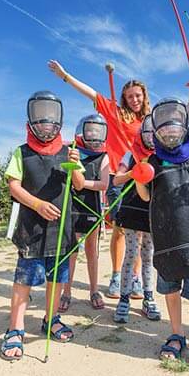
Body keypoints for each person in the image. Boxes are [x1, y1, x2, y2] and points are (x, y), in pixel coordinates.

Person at [136, 55, 189, 376]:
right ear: (156, 131)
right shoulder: (151, 161)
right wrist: (139, 180)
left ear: (183, 127)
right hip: (165, 238)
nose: (170, 130)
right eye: (164, 126)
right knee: (170, 290)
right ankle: (176, 334)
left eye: (175, 124)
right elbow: (146, 198)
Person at [48, 60, 149, 299]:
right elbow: (90, 92)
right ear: (124, 98)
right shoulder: (114, 111)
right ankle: (116, 276)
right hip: (117, 175)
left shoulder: (148, 120)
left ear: (144, 97)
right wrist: (66, 75)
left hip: (143, 176)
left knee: (140, 230)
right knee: (121, 229)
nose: (134, 100)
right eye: (130, 96)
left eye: (137, 96)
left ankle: (134, 278)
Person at [1, 91, 85, 361]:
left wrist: (77, 167)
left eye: (51, 121)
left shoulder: (68, 151)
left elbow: (80, 186)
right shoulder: (21, 152)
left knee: (57, 280)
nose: (46, 126)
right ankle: (16, 328)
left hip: (62, 230)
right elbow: (13, 186)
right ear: (31, 121)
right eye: (40, 120)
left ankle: (52, 318)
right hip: (31, 230)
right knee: (23, 281)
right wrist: (37, 204)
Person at [112, 115, 161, 323]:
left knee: (148, 256)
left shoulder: (161, 154)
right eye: (146, 132)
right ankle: (124, 298)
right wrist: (133, 172)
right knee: (131, 254)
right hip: (131, 212)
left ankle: (148, 298)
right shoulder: (130, 154)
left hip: (151, 212)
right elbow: (116, 179)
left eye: (153, 133)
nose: (150, 137)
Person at [60, 114, 110, 311]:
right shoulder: (71, 152)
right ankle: (66, 291)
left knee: (92, 251)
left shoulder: (103, 156)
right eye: (90, 130)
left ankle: (94, 290)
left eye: (98, 131)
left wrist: (82, 184)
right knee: (71, 251)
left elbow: (104, 183)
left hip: (92, 207)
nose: (93, 135)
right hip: (72, 207)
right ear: (82, 131)